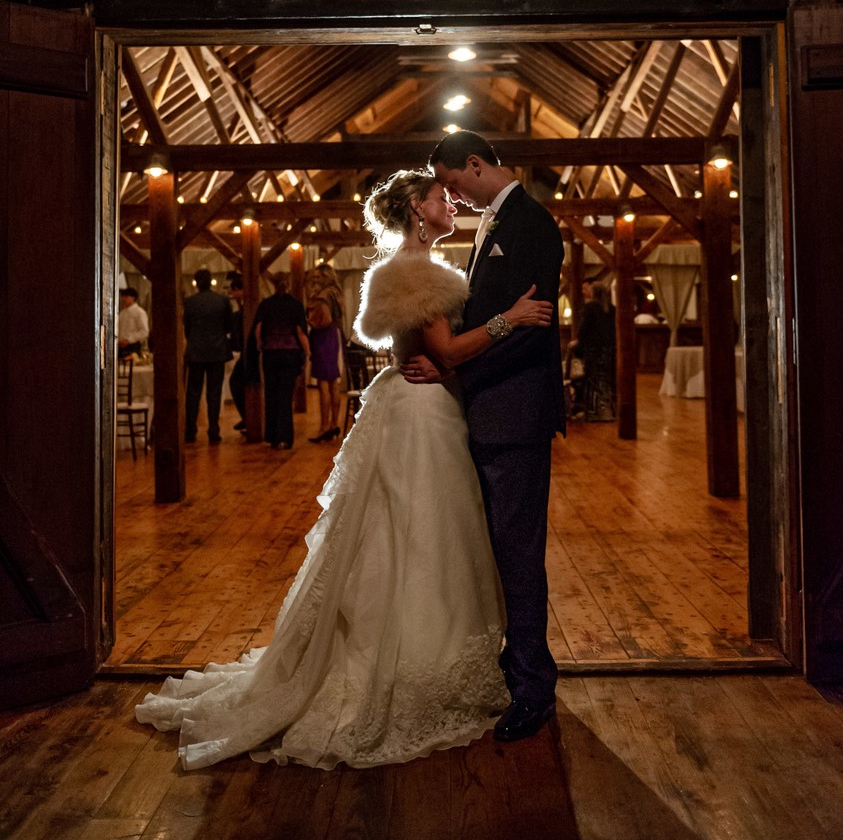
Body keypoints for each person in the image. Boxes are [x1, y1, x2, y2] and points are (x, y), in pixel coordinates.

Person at [135, 169, 551, 770]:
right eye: (439, 198)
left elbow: (433, 354)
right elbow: (449, 352)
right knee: (422, 536)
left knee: (407, 534)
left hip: (412, 405)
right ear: (415, 211)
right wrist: (512, 317)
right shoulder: (417, 272)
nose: (449, 203)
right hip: (421, 415)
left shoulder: (401, 267)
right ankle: (418, 657)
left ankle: (417, 646)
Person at [405, 130, 565, 744]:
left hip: (515, 413)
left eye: (450, 183)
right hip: (490, 410)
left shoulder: (530, 222)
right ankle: (513, 669)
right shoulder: (494, 225)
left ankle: (532, 689)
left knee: (519, 554)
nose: (449, 196)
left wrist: (452, 367)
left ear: (474, 166)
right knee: (500, 551)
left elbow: (534, 324)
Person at [251, 273, 311, 451]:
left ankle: (273, 438)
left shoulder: (266, 304)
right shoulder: (295, 305)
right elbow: (300, 332)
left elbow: (258, 328)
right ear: (288, 285)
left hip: (270, 353)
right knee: (286, 396)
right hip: (290, 354)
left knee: (271, 394)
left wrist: (261, 344)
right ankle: (286, 437)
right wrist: (307, 353)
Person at [183, 268, 232, 446]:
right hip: (217, 351)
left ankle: (190, 431)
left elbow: (187, 328)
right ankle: (213, 431)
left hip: (196, 350)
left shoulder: (189, 302)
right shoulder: (222, 300)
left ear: (196, 282)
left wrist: (195, 339)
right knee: (214, 392)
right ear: (211, 281)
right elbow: (228, 326)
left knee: (193, 393)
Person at [304, 264, 345, 443]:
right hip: (336, 335)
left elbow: (323, 320)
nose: (315, 281)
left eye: (318, 278)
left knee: (324, 383)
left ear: (326, 277)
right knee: (333, 382)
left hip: (324, 338)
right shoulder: (337, 292)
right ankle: (333, 424)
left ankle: (324, 426)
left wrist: (311, 317)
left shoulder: (323, 296)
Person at [568, 278, 616, 422]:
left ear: (594, 293)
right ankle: (608, 411)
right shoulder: (612, 308)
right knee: (605, 380)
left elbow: (583, 330)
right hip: (608, 350)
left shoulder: (590, 307)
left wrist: (578, 342)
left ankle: (595, 412)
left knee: (592, 380)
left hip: (593, 350)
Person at [226, 274, 248, 433]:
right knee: (236, 383)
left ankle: (248, 417)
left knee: (235, 382)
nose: (232, 294)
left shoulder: (248, 307)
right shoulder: (240, 308)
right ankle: (247, 417)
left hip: (249, 353)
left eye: (234, 290)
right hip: (245, 352)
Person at [117, 286, 148, 357]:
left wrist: (129, 340)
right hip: (120, 346)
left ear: (133, 298)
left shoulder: (139, 312)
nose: (123, 299)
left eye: (126, 296)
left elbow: (144, 331)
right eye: (123, 296)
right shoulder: (122, 312)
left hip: (133, 347)